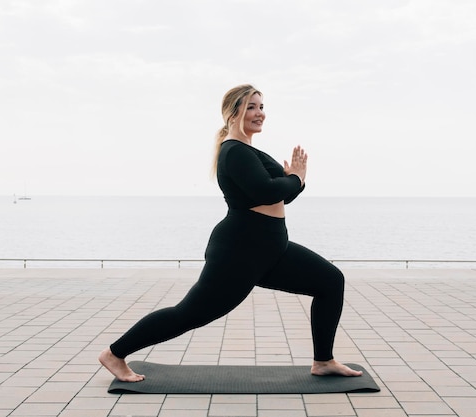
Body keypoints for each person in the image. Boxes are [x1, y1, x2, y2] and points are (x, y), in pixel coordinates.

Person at [99, 84, 362, 382]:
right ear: (232, 112)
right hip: (241, 251)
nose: (259, 113)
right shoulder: (235, 152)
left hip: (273, 248)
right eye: (251, 106)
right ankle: (115, 353)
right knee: (190, 314)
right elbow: (266, 190)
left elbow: (283, 196)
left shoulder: (249, 151)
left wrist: (295, 181)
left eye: (261, 106)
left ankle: (323, 361)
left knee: (330, 281)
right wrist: (295, 178)